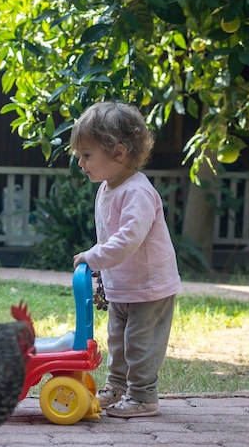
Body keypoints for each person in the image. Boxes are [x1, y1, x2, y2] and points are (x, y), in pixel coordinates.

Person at [71, 101, 181, 418]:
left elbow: (127, 239)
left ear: (118, 153)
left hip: (150, 286)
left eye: (86, 155)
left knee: (139, 342)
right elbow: (110, 236)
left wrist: (93, 257)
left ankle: (144, 397)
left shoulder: (137, 193)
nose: (80, 163)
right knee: (117, 340)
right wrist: (102, 272)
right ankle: (117, 387)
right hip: (123, 284)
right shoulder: (108, 188)